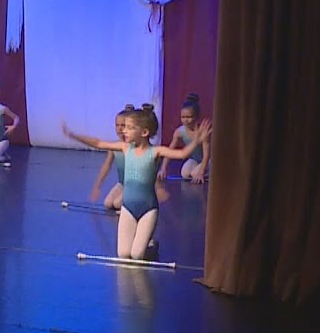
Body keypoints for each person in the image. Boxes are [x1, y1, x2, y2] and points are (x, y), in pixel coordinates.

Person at [63, 105, 210, 259]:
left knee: (137, 254)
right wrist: (73, 135)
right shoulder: (125, 148)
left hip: (148, 210)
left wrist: (196, 141)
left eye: (130, 128)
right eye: (124, 127)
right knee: (124, 254)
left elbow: (181, 154)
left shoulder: (156, 151)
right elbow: (99, 143)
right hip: (128, 208)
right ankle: (142, 242)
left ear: (144, 132)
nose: (124, 131)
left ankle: (151, 246)